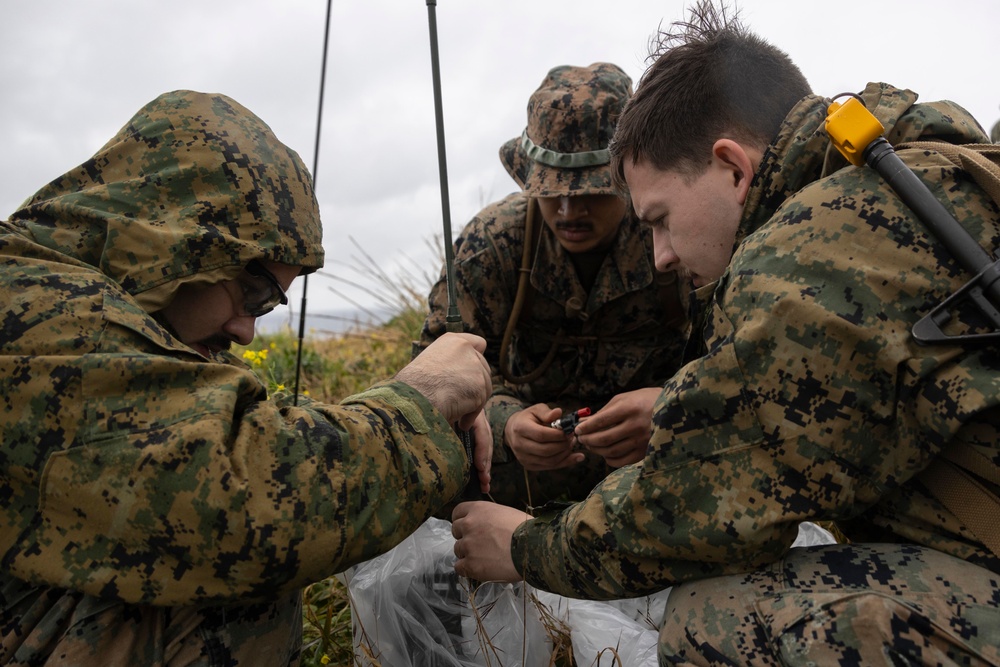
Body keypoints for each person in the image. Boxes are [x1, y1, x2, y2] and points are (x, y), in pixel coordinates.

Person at [451, 2, 1000, 664]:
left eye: (658, 219)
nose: (659, 255)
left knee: (713, 617)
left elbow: (683, 511)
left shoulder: (797, 262)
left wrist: (523, 546)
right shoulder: (916, 164)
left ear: (733, 168)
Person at [0, 90, 494, 666]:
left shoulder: (96, 310)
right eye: (254, 292)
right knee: (227, 593)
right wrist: (421, 401)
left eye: (268, 306)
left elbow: (234, 422)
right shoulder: (45, 312)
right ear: (181, 242)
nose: (245, 332)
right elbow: (250, 500)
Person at [417, 63, 690, 510]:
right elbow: (433, 375)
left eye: (591, 192)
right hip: (516, 478)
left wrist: (669, 406)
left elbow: (740, 358)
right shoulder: (493, 244)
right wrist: (506, 424)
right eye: (550, 190)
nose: (568, 210)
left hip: (655, 470)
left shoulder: (676, 229)